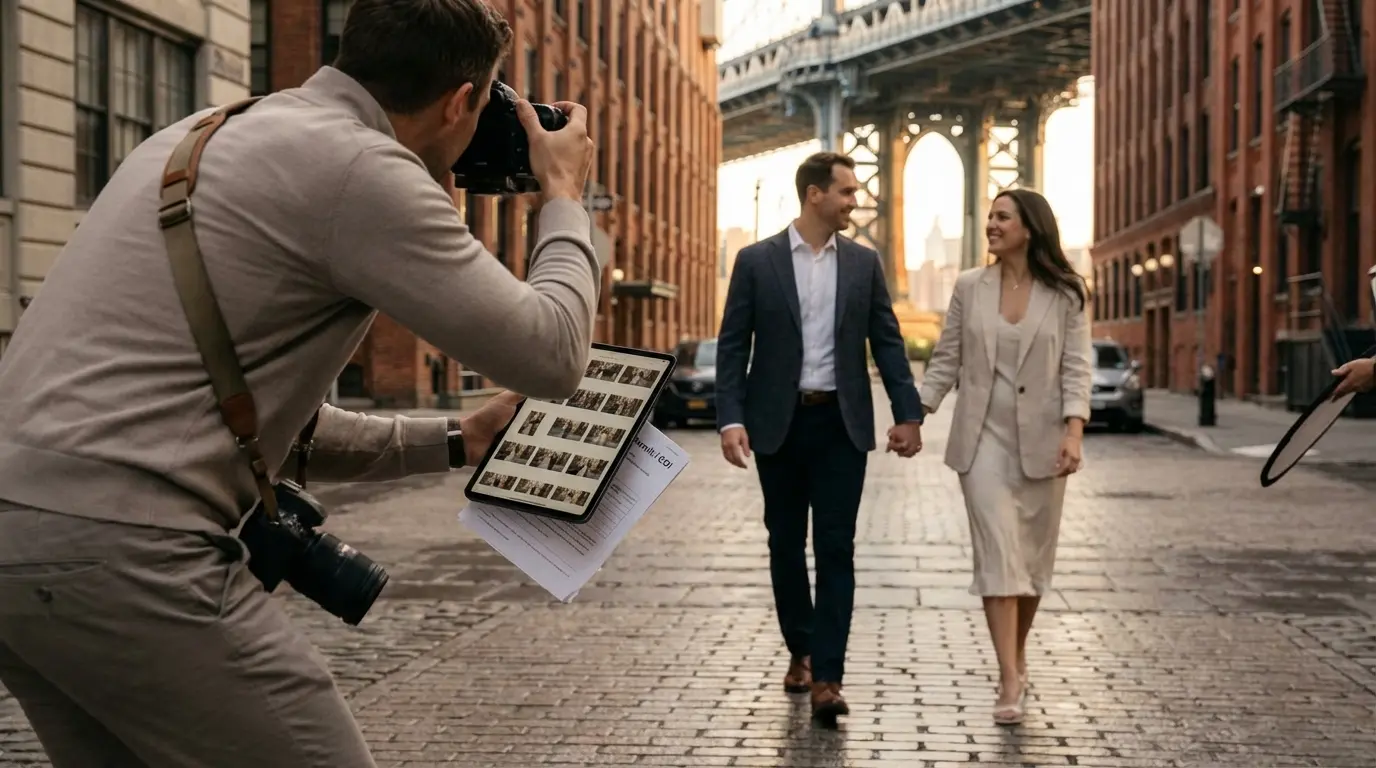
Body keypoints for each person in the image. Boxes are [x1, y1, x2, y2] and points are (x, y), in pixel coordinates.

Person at [0, 1, 600, 765]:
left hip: (18, 540)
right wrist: (563, 193)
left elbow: (251, 414)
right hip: (128, 552)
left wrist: (457, 437)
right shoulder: (360, 166)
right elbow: (551, 354)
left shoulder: (198, 134)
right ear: (459, 100)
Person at [715, 151, 925, 724]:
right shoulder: (756, 261)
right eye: (848, 192)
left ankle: (828, 676)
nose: (856, 201)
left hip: (840, 424)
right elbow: (734, 345)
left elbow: (887, 340)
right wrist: (731, 417)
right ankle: (801, 650)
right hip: (778, 424)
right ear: (815, 194)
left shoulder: (863, 263)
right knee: (784, 544)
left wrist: (909, 413)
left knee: (836, 548)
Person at [917, 188, 1092, 726]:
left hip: (1043, 444)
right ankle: (1009, 678)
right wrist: (914, 414)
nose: (990, 224)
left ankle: (1016, 654)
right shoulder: (970, 286)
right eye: (989, 215)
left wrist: (1074, 433)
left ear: (1030, 228)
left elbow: (1076, 368)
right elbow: (947, 358)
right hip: (982, 441)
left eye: (1001, 217)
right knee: (999, 558)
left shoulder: (1066, 294)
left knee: (1032, 567)